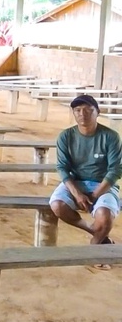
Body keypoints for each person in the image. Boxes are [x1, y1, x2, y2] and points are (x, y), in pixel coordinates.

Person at [50, 95, 121, 267]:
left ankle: (94, 248)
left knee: (105, 216)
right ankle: (95, 231)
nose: (83, 114)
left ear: (98, 112)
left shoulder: (110, 136)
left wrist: (96, 195)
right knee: (57, 205)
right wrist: (77, 194)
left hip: (103, 184)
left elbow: (115, 170)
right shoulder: (66, 136)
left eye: (88, 110)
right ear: (73, 113)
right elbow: (62, 168)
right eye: (78, 110)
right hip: (75, 182)